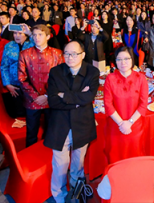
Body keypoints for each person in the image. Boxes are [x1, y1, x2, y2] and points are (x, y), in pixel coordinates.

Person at [45, 40, 100, 203]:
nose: (69, 57)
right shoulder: (56, 72)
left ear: (83, 55)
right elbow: (53, 101)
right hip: (60, 124)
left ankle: (77, 191)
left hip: (82, 123)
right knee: (60, 164)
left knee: (78, 162)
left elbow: (89, 97)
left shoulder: (92, 72)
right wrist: (77, 100)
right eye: (66, 54)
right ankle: (58, 194)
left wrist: (65, 96)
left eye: (74, 54)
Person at [18, 25, 64, 147]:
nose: (37, 37)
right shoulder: (25, 54)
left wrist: (47, 96)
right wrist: (35, 96)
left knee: (51, 130)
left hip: (52, 98)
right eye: (34, 35)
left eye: (40, 34)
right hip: (31, 99)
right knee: (31, 131)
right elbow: (22, 78)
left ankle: (47, 156)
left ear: (48, 36)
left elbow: (61, 78)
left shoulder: (57, 53)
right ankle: (29, 156)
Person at [103, 46, 148, 164]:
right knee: (116, 158)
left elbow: (143, 104)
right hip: (116, 126)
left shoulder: (141, 78)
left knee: (134, 157)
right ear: (115, 61)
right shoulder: (110, 78)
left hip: (135, 126)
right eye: (119, 59)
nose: (123, 63)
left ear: (132, 59)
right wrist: (121, 123)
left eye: (126, 59)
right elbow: (108, 104)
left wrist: (129, 123)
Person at [0, 25, 34, 118]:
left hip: (30, 84)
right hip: (14, 84)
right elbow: (4, 66)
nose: (17, 36)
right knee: (18, 111)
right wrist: (7, 84)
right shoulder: (9, 46)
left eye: (20, 33)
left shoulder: (31, 44)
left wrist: (30, 33)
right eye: (15, 33)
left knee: (31, 111)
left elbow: (41, 43)